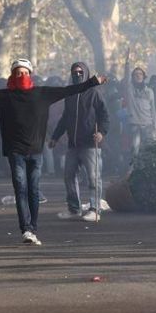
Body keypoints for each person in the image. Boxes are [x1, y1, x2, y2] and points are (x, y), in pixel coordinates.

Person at [0, 58, 106, 246]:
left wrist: (92, 82)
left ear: (30, 74)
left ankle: (32, 227)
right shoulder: (5, 96)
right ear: (12, 75)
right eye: (18, 73)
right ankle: (26, 228)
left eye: (25, 72)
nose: (22, 76)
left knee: (33, 190)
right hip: (15, 151)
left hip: (35, 151)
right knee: (21, 189)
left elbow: (69, 90)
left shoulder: (42, 94)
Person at [49, 62, 110, 222]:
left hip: (90, 143)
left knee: (93, 178)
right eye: (74, 72)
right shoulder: (70, 94)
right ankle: (74, 209)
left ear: (86, 73)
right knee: (68, 176)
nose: (77, 75)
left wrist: (101, 133)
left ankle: (95, 209)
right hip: (73, 144)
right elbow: (65, 118)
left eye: (80, 72)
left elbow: (104, 116)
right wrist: (55, 137)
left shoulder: (94, 93)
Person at [123, 52, 156, 158]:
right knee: (135, 150)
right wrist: (127, 64)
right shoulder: (130, 89)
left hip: (148, 125)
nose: (138, 76)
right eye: (135, 74)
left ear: (143, 76)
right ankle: (133, 171)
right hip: (135, 125)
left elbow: (153, 110)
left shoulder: (149, 91)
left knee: (151, 151)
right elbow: (126, 79)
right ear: (132, 77)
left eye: (140, 74)